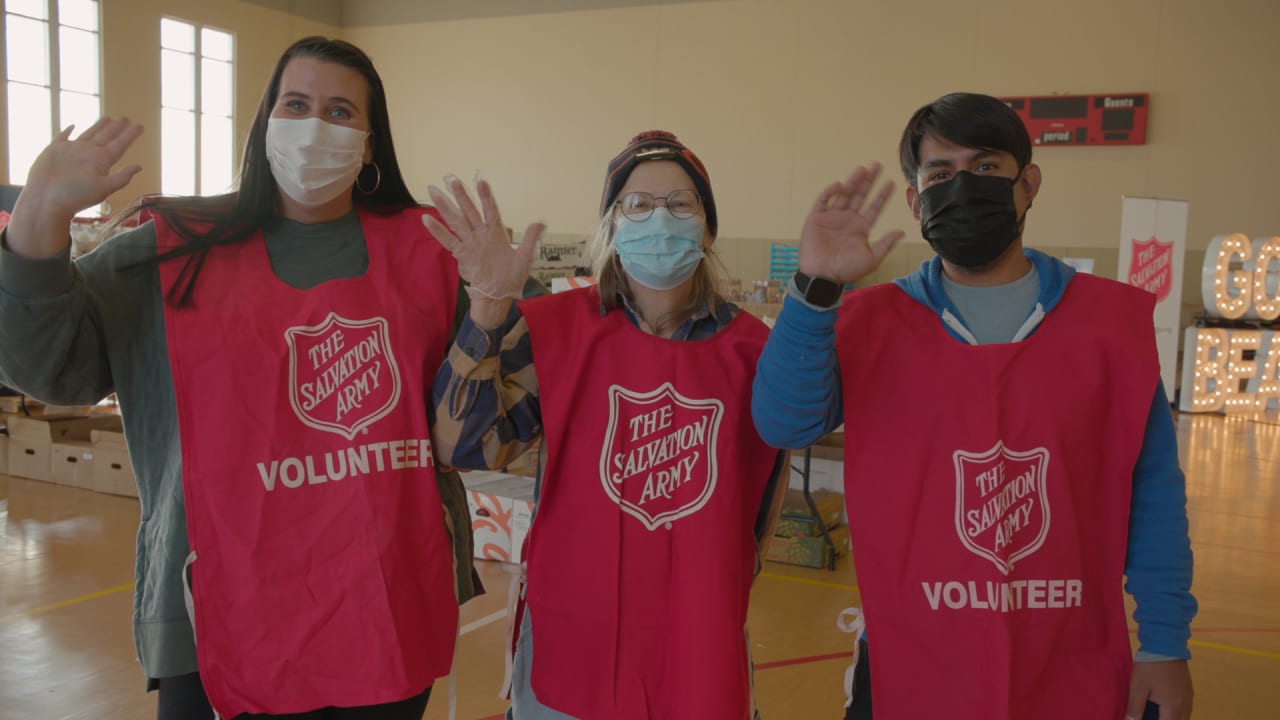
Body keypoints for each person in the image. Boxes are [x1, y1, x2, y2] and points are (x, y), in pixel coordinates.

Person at [0, 37, 481, 719]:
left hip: (383, 602)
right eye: (297, 104)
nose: (315, 126)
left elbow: (477, 427)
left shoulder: (429, 255)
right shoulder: (171, 248)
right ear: (266, 125)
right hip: (213, 608)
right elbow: (48, 368)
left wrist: (494, 306)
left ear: (371, 145)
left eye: (341, 111)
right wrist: (39, 216)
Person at [751, 92, 1196, 720]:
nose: (963, 187)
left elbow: (1152, 492)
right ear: (915, 199)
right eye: (940, 174)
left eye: (986, 167)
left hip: (1069, 657)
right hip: (911, 658)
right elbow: (783, 421)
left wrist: (1165, 643)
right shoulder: (867, 321)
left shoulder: (1109, 325)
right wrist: (816, 287)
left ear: (1028, 184)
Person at [427, 130, 788, 719]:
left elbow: (761, 518)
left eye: (680, 203)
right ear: (612, 226)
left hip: (699, 637)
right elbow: (463, 445)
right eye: (637, 205)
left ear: (707, 225)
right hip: (572, 632)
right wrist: (488, 307)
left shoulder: (754, 351)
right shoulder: (555, 330)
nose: (659, 219)